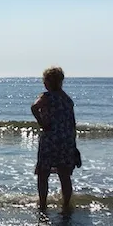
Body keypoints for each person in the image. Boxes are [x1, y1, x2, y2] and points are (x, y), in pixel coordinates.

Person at [31, 66, 80, 214]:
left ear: (47, 82)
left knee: (43, 174)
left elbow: (34, 107)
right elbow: (72, 123)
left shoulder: (46, 96)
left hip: (50, 138)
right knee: (64, 175)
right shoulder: (67, 100)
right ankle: (65, 205)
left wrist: (42, 122)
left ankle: (43, 204)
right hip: (66, 140)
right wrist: (74, 144)